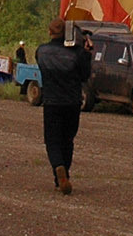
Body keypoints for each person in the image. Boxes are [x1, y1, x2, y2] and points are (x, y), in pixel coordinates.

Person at [36, 17, 93, 194]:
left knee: (52, 141)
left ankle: (58, 169)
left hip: (52, 102)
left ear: (49, 32)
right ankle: (64, 174)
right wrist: (86, 52)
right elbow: (84, 76)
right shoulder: (78, 53)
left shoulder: (42, 51)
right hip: (72, 102)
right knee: (67, 140)